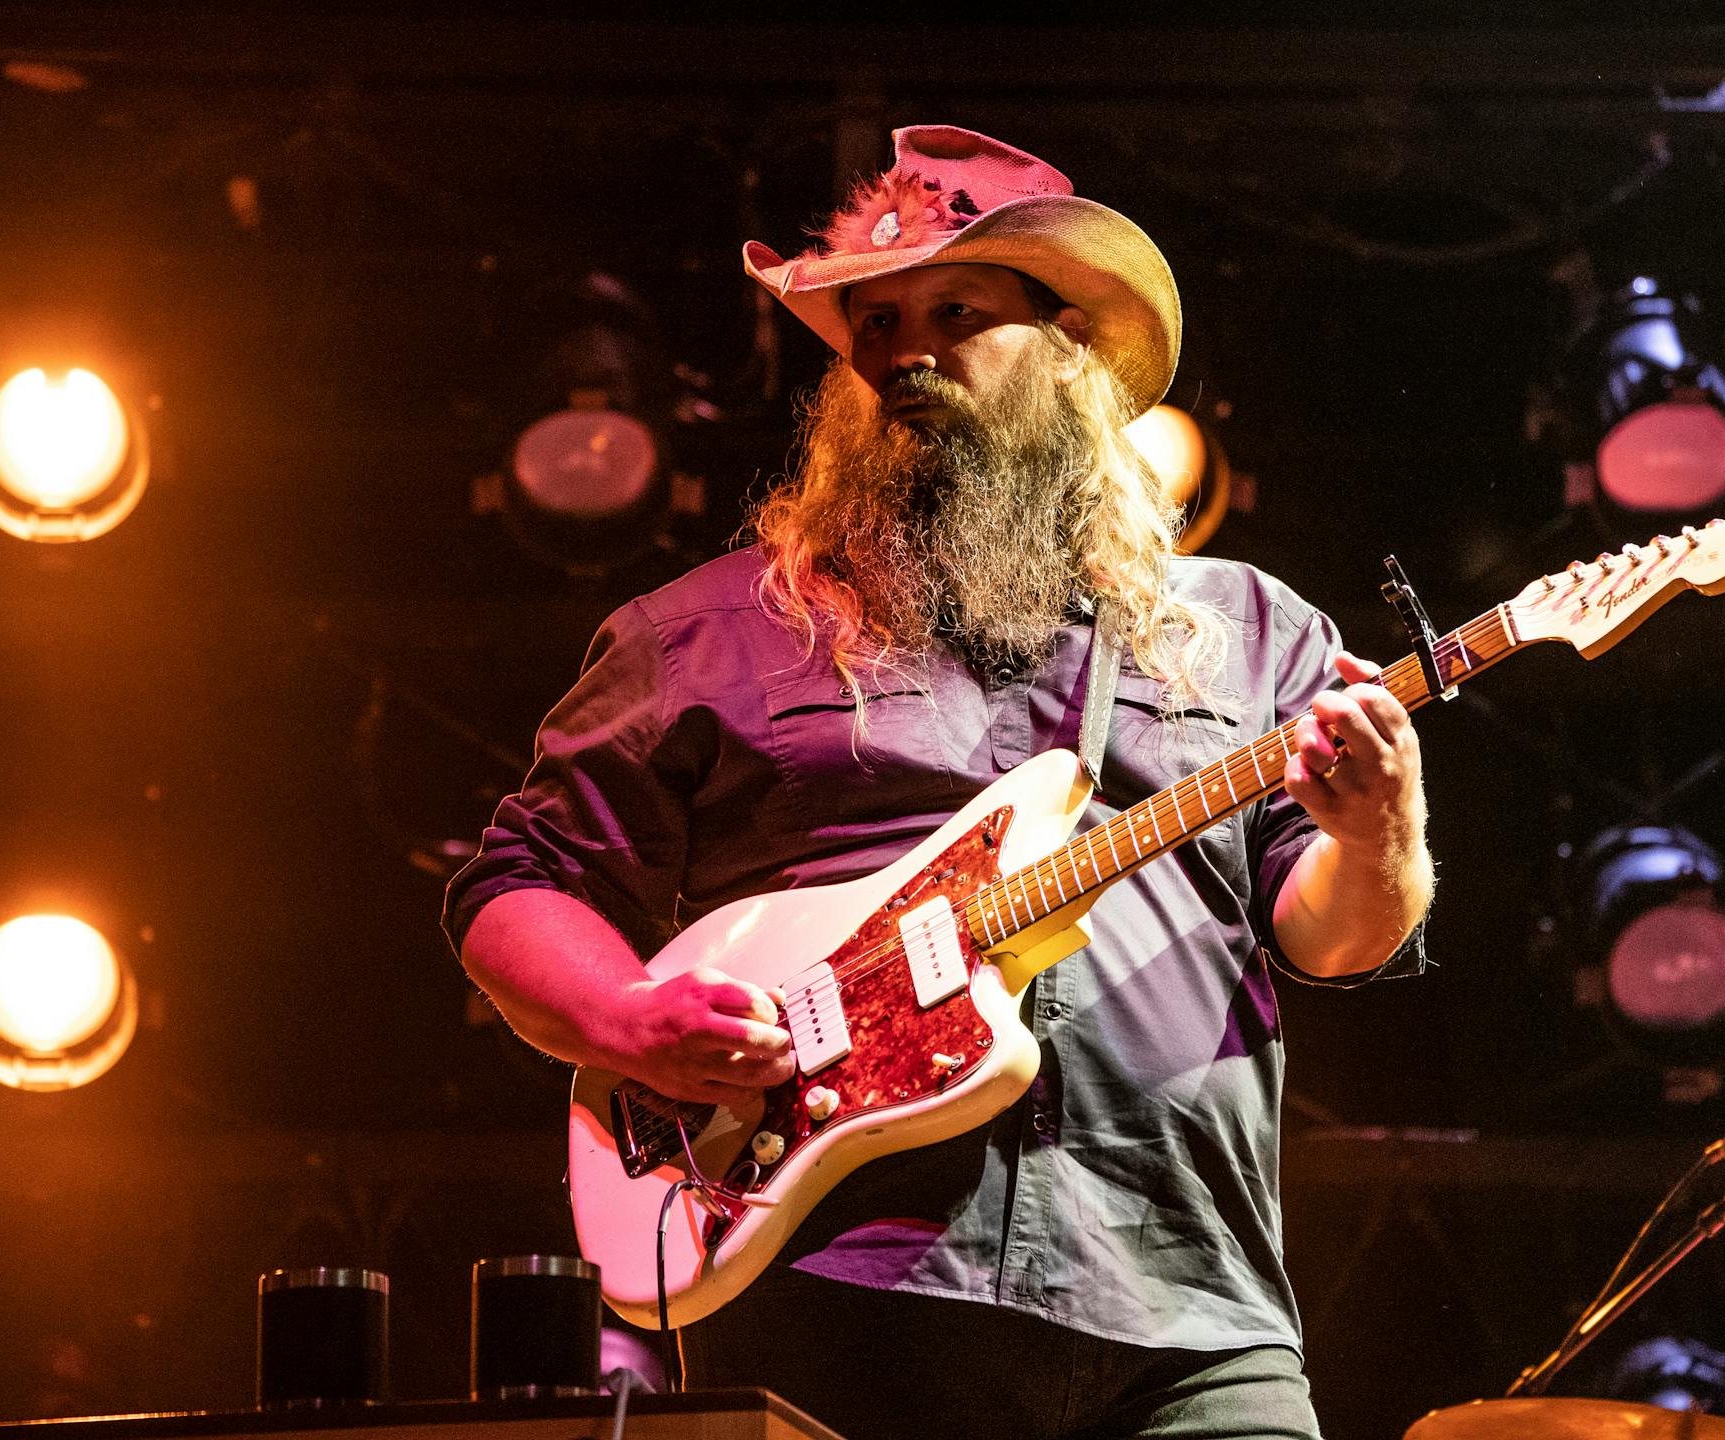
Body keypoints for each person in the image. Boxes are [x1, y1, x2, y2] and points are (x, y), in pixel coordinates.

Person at [444, 125, 1433, 1440]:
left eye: (957, 312)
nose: (904, 351)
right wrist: (625, 1018)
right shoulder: (707, 634)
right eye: (877, 321)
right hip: (852, 1288)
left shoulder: (1249, 632)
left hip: (1191, 1302)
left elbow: (1333, 937)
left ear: (1071, 348)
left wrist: (1381, 834)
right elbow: (519, 885)